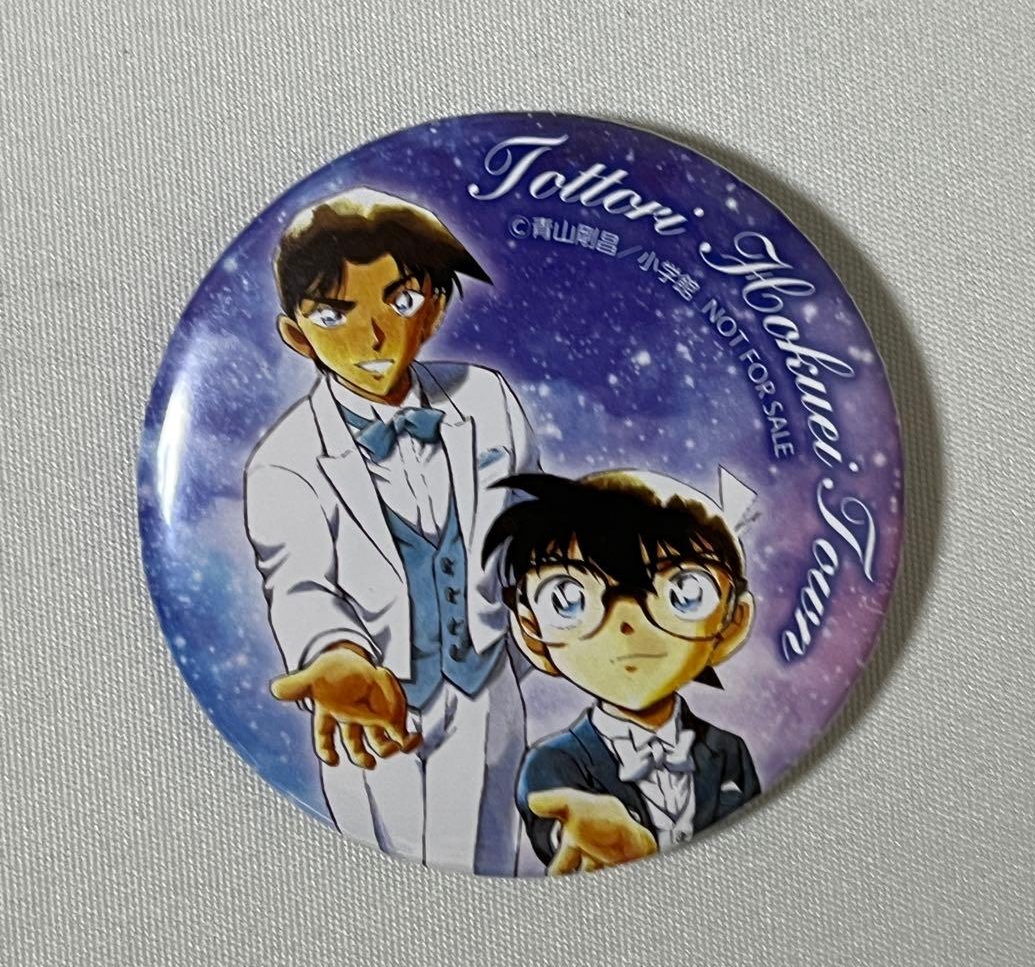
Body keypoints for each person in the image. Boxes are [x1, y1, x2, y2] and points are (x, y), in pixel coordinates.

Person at [245, 188, 538, 874]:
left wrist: (535, 638)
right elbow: (299, 583)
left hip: (486, 687)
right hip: (370, 708)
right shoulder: (285, 459)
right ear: (297, 334)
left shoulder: (488, 401)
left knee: (490, 866)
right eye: (333, 313)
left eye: (399, 301)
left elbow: (527, 534)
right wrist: (335, 654)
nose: (372, 336)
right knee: (393, 871)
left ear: (433, 309)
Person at [482, 468, 760, 875]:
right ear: (531, 631)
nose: (626, 623)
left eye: (684, 593)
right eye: (567, 598)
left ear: (732, 623)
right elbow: (556, 827)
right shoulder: (552, 762)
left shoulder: (728, 750)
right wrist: (582, 838)